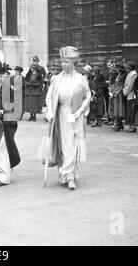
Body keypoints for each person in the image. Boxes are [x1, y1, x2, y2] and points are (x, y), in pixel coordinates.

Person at [38, 46, 91, 190]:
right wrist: (49, 111)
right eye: (62, 61)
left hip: (75, 116)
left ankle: (71, 176)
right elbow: (49, 97)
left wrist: (79, 111)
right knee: (62, 145)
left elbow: (87, 97)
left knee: (73, 146)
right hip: (60, 114)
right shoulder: (56, 79)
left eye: (66, 62)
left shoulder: (81, 79)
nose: (63, 64)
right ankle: (64, 174)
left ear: (73, 63)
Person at [109, 64, 127, 131]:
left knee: (118, 110)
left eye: (117, 68)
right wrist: (111, 91)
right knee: (115, 109)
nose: (115, 69)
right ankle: (119, 125)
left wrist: (114, 93)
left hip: (119, 94)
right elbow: (114, 84)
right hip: (115, 94)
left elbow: (120, 85)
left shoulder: (123, 76)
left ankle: (117, 124)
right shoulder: (118, 75)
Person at [122, 61, 138, 132]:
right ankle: (130, 126)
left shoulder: (133, 74)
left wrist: (124, 91)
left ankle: (131, 126)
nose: (125, 69)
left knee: (130, 111)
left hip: (131, 95)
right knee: (129, 110)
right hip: (129, 94)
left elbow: (130, 86)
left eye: (127, 68)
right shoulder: (130, 74)